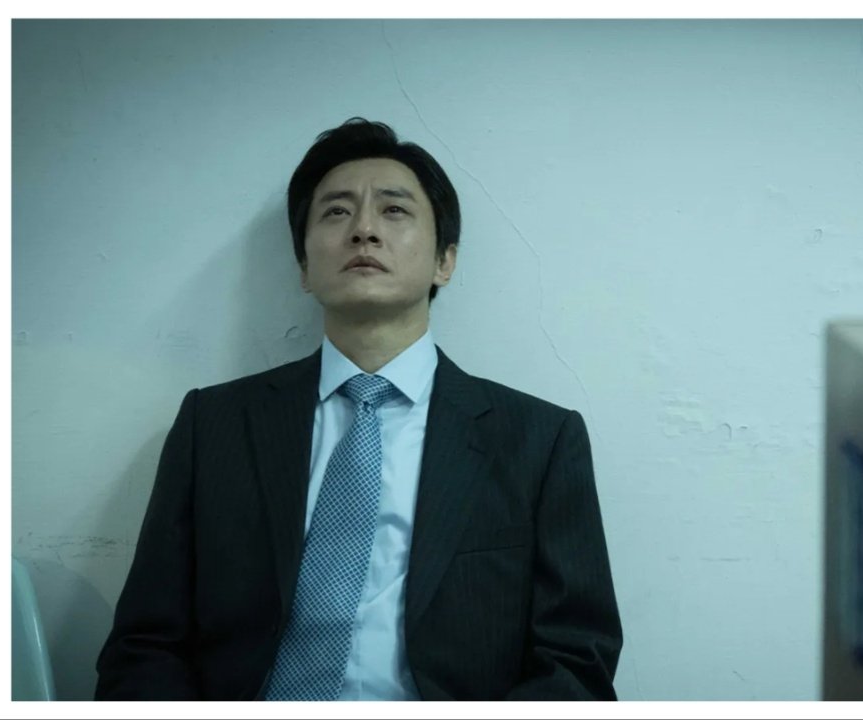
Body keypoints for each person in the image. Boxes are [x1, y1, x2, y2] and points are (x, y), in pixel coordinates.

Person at [95, 118, 622, 701]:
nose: (364, 230)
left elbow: (577, 657)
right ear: (303, 267)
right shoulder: (213, 424)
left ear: (445, 261)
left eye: (394, 210)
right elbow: (146, 643)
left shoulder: (538, 440)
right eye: (337, 212)